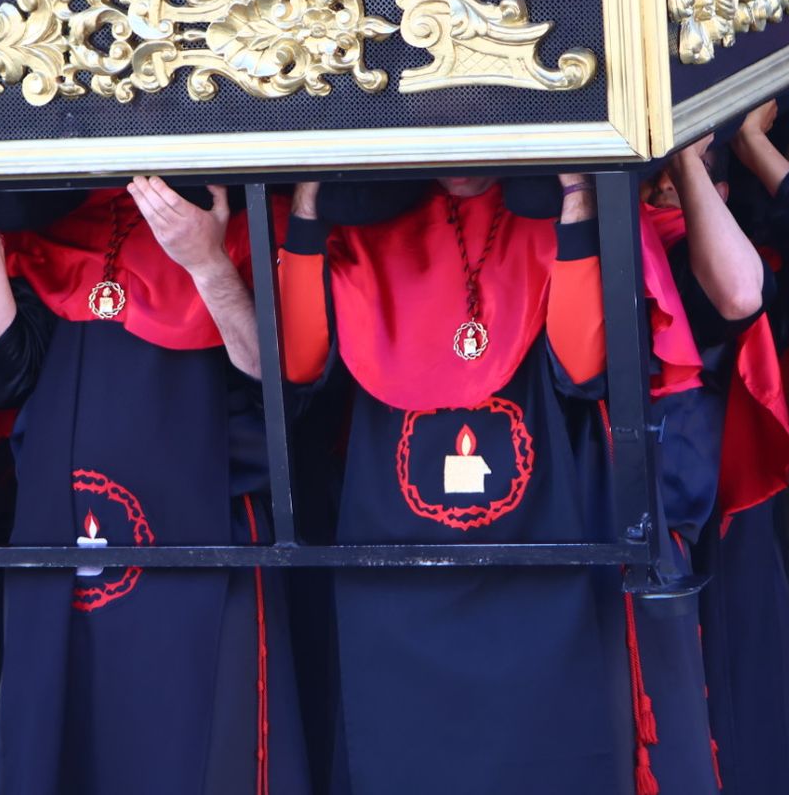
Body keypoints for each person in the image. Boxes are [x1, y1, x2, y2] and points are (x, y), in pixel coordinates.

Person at [278, 173, 708, 795]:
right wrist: (311, 197)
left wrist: (575, 197)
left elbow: (583, 367)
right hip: (397, 568)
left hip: (540, 551)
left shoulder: (559, 214)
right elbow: (299, 362)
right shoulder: (365, 227)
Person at [0, 180, 308, 795]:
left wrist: (204, 260)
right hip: (64, 545)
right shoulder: (58, 224)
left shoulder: (247, 213)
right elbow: (4, 376)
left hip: (198, 538)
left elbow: (280, 390)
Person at [644, 120, 789, 795]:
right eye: (658, 173)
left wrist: (687, 153)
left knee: (735, 671)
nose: (666, 182)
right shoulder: (616, 236)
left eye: (689, 172)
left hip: (714, 497)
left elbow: (740, 291)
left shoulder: (705, 252)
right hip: (640, 497)